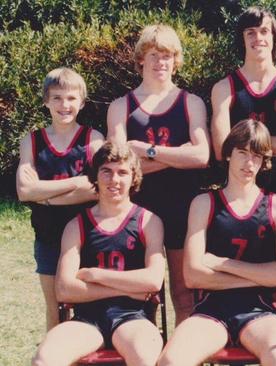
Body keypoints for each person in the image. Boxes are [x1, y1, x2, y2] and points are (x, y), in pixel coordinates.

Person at [158, 119, 276, 366]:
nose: (249, 162)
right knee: (171, 360)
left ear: (264, 161)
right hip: (211, 310)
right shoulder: (204, 204)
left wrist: (222, 263)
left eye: (256, 156)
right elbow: (193, 276)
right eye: (242, 153)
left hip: (260, 310)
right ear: (229, 154)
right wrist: (260, 276)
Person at [107, 24, 210, 324]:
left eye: (166, 55)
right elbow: (119, 163)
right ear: (141, 59)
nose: (159, 62)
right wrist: (179, 155)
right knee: (141, 296)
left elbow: (202, 156)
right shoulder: (120, 107)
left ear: (175, 60)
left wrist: (148, 151)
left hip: (182, 208)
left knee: (184, 293)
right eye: (153, 54)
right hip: (137, 210)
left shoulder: (191, 102)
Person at [32, 142, 165, 366]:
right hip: (87, 319)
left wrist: (95, 275)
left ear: (134, 177)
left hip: (132, 317)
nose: (114, 180)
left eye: (122, 172)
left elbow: (152, 281)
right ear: (95, 176)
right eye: (106, 171)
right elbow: (64, 290)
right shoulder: (77, 225)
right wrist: (131, 288)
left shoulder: (148, 221)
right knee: (44, 359)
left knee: (144, 357)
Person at [16, 67, 104, 330]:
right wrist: (75, 182)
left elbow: (94, 188)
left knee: (88, 308)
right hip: (48, 236)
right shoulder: (31, 142)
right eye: (56, 98)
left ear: (82, 102)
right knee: (55, 308)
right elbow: (24, 191)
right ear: (46, 101)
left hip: (87, 237)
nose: (64, 105)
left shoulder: (93, 140)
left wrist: (45, 194)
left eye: (71, 98)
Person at [211, 6, 276, 218]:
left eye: (264, 31)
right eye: (250, 32)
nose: (258, 38)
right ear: (242, 39)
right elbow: (221, 149)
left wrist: (241, 146)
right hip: (239, 189)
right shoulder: (224, 88)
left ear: (274, 38)